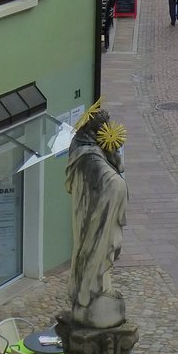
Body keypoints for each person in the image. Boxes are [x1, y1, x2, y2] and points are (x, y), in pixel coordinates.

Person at [64, 104, 128, 323]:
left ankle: (98, 287)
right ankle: (91, 290)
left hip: (98, 216)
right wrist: (118, 183)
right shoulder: (88, 156)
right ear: (94, 129)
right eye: (103, 127)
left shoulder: (93, 151)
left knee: (96, 252)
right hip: (95, 220)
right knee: (94, 250)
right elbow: (112, 183)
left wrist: (113, 153)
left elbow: (115, 168)